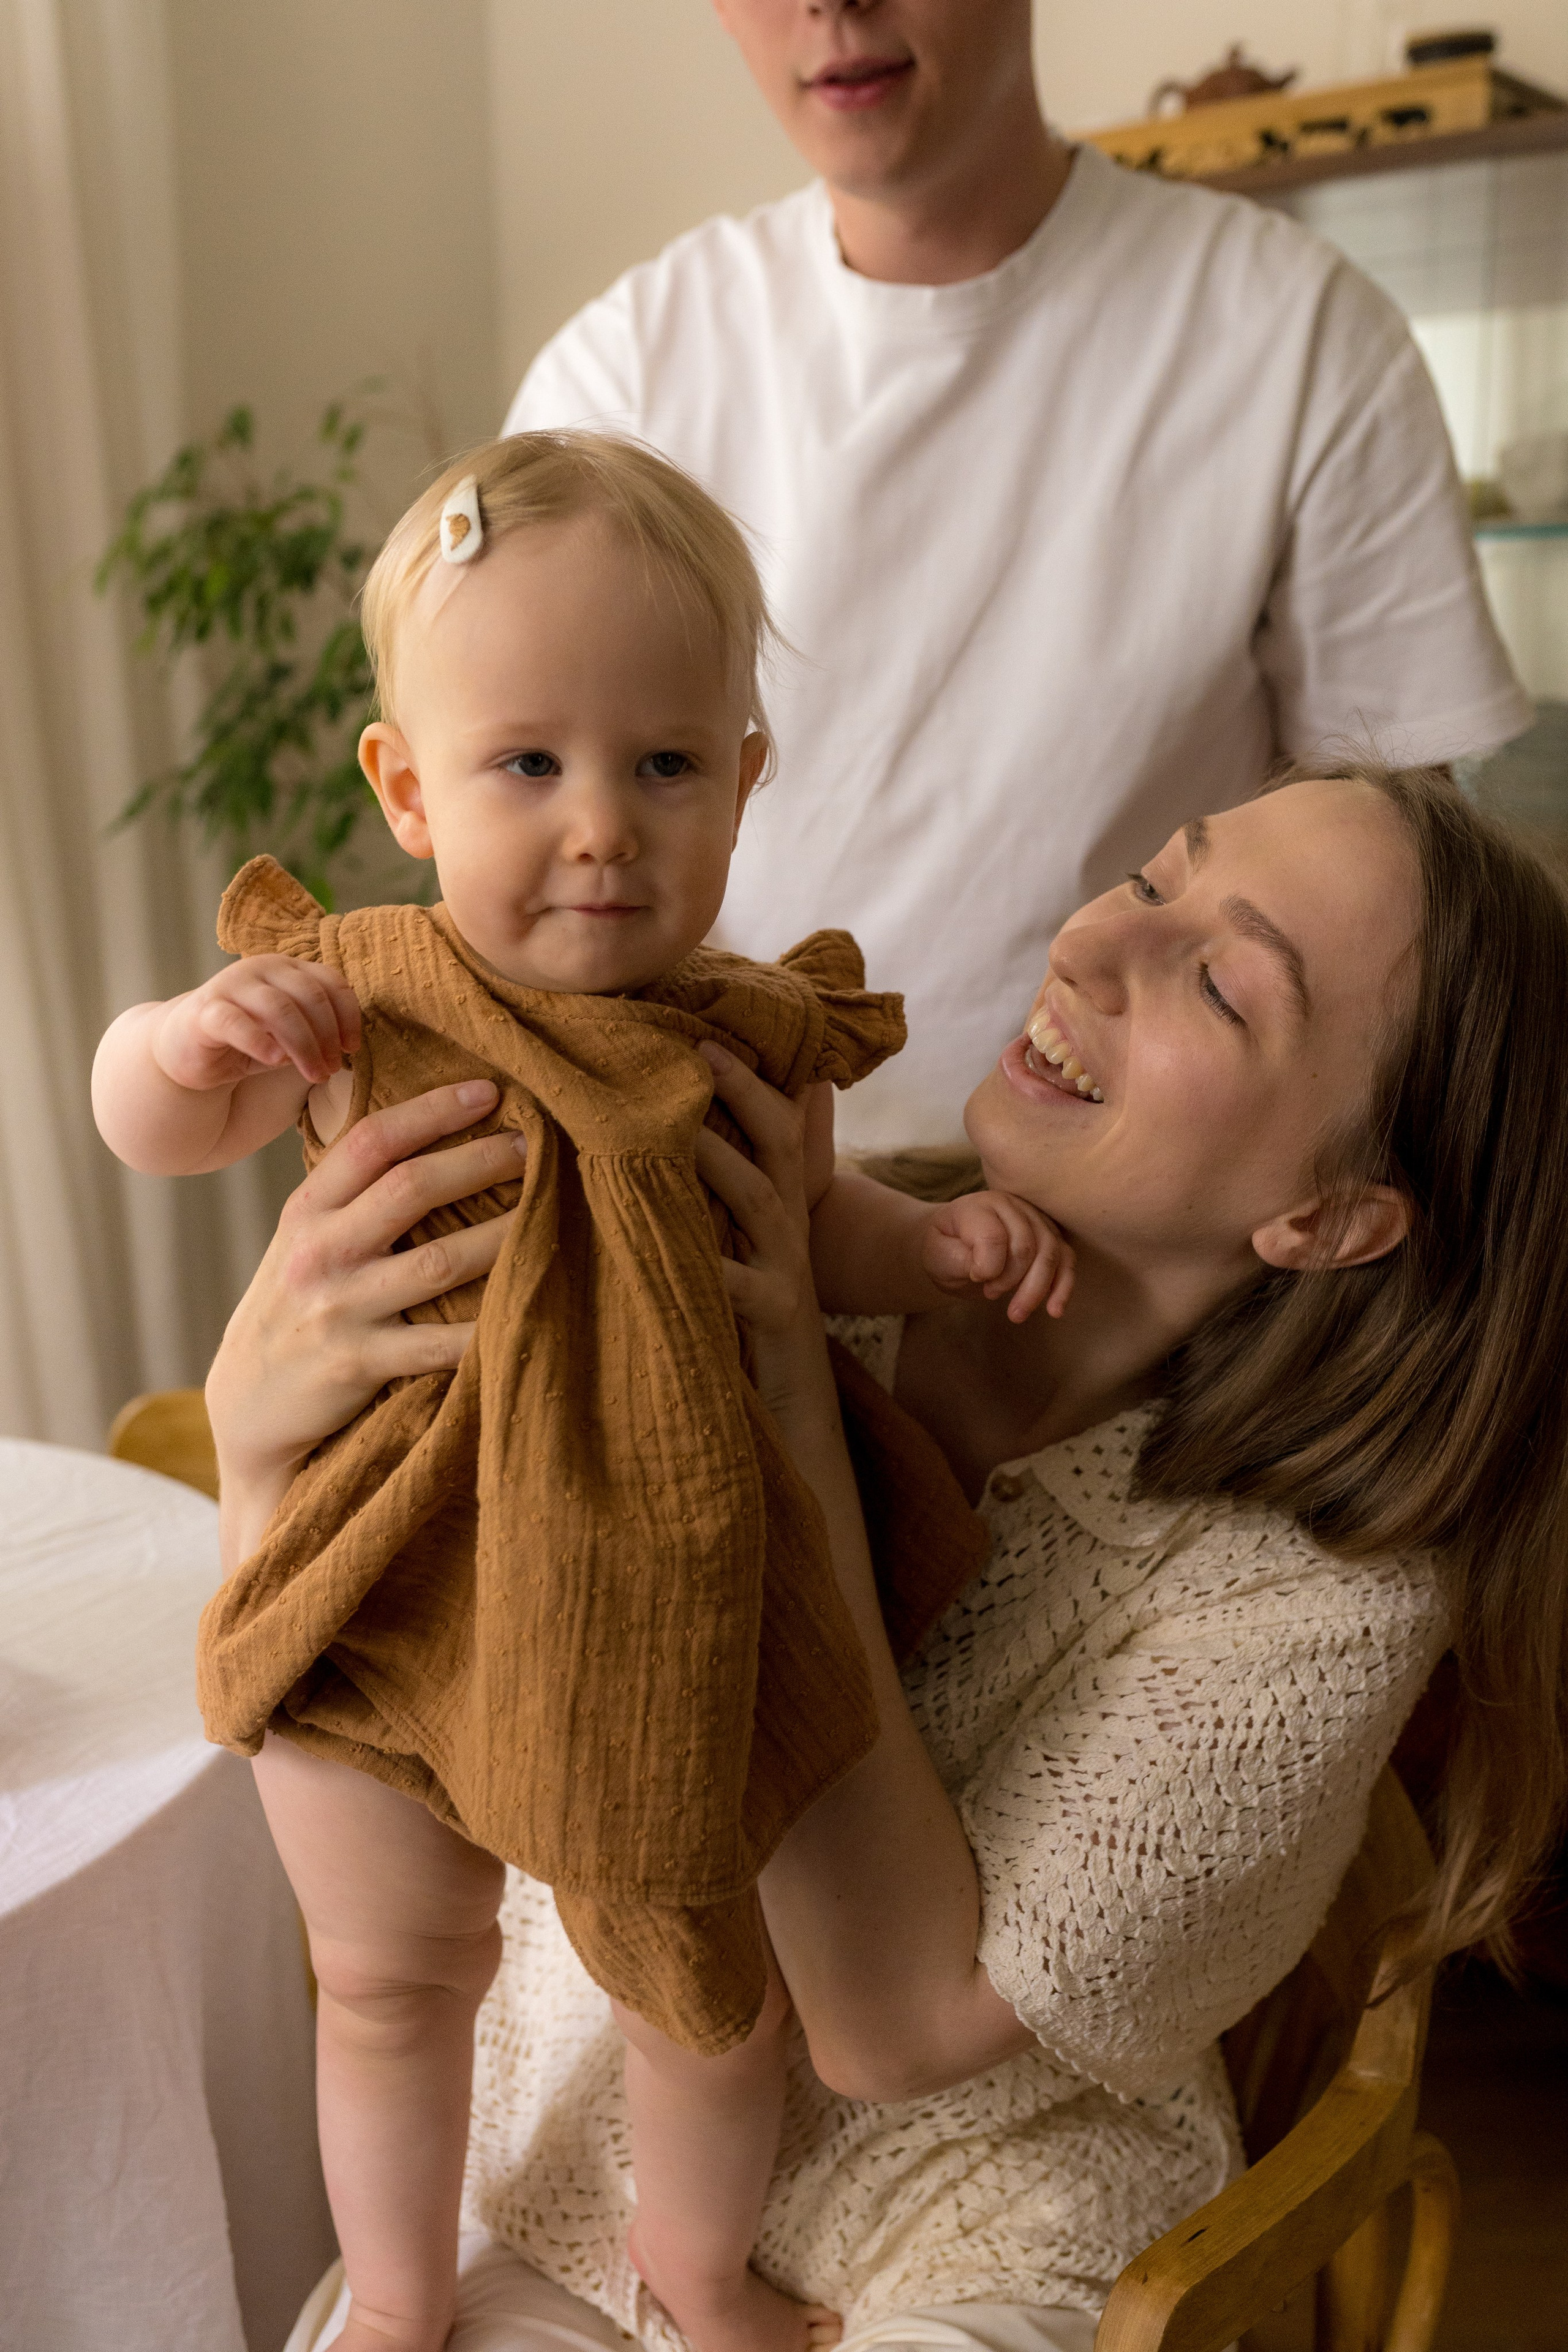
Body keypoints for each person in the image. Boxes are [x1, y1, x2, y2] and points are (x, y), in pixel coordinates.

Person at [224, 763, 1568, 2351]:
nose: (1092, 947)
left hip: (966, 2238)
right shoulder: (804, 1223)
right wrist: (261, 1439)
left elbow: (888, 2028)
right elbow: (389, 1678)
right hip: (568, 2144)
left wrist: (784, 1406)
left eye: (1219, 982)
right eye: (1153, 878)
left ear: (1331, 1220)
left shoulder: (1322, 1599)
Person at [93, 431, 1075, 2352]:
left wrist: (932, 1246)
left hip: (647, 1598)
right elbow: (158, 1126)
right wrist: (184, 1040)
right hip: (391, 1577)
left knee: (704, 1994)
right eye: (529, 765)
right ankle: (400, 2300)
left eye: (666, 765)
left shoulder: (750, 1037)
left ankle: (691, 2268)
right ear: (407, 789)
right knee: (387, 1981)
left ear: (746, 780)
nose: (605, 825)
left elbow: (813, 1229)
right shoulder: (361, 993)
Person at [505, 0, 1532, 1153]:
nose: (831, 6)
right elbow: (507, 860)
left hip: (1122, 1228)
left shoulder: (1301, 340)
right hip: (716, 1188)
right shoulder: (621, 378)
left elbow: (1393, 924)